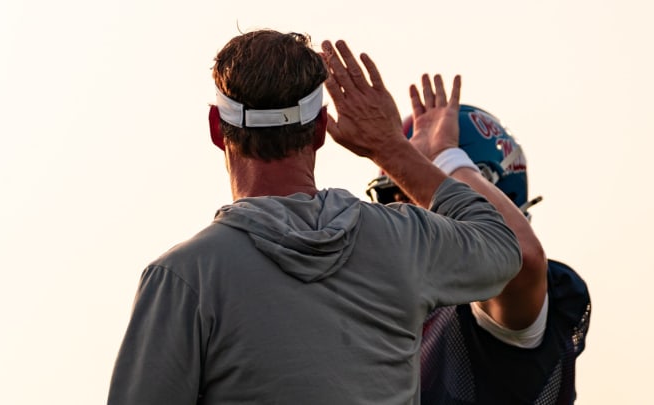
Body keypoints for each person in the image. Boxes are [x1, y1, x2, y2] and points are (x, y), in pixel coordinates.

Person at [107, 31, 523, 405]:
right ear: (321, 128)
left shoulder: (184, 278)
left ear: (217, 128)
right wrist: (390, 148)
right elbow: (504, 249)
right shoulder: (401, 241)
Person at [366, 78, 591, 404]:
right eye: (395, 198)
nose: (404, 214)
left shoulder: (504, 301)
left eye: (416, 193)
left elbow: (518, 259)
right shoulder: (391, 307)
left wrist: (445, 157)